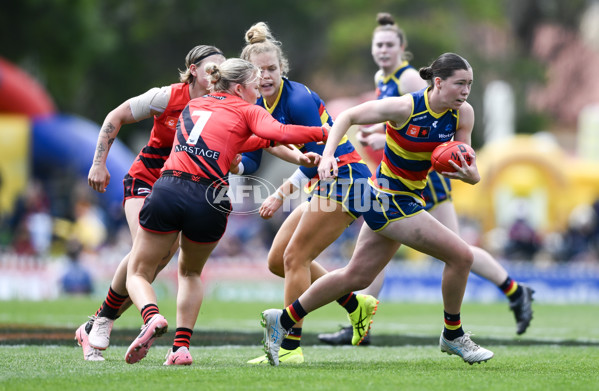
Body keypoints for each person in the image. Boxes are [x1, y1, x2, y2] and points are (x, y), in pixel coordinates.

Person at [262, 53, 496, 366]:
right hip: (387, 200)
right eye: (460, 84)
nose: (466, 91)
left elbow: (469, 166)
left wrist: (469, 174)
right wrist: (329, 156)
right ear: (438, 82)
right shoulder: (406, 107)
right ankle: (453, 335)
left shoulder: (463, 114)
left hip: (407, 199)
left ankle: (284, 319)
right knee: (462, 255)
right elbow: (345, 117)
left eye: (469, 84)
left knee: (355, 277)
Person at [319, 13, 534, 346]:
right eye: (378, 45)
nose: (383, 50)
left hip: (427, 179)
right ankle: (359, 324)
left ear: (402, 49)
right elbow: (400, 122)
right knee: (381, 255)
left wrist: (460, 167)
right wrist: (381, 136)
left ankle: (513, 290)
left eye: (390, 45)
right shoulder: (383, 78)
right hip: (395, 179)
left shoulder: (408, 82)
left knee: (456, 251)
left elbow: (428, 122)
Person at [123, 58, 330, 365]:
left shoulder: (194, 105)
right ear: (238, 88)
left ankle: (151, 316)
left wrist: (299, 159)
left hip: (170, 187)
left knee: (138, 272)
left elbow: (259, 140)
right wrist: (325, 131)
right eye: (255, 86)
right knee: (191, 272)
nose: (259, 92)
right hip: (211, 198)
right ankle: (180, 348)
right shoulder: (248, 110)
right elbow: (279, 132)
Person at [234, 22, 377, 366]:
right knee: (277, 260)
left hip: (346, 181)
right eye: (258, 71)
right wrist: (225, 161)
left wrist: (279, 195)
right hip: (324, 184)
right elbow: (250, 159)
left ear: (282, 69)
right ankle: (356, 305)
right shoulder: (256, 106)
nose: (265, 76)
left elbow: (315, 162)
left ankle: (289, 347)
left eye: (272, 69)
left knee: (294, 258)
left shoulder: (296, 99)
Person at [74, 45, 226, 362]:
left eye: (222, 69)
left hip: (181, 191)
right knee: (143, 251)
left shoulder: (223, 104)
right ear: (193, 69)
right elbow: (116, 116)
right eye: (212, 67)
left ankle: (95, 323)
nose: (217, 74)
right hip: (147, 180)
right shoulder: (166, 96)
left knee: (154, 264)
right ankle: (115, 321)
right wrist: (98, 163)